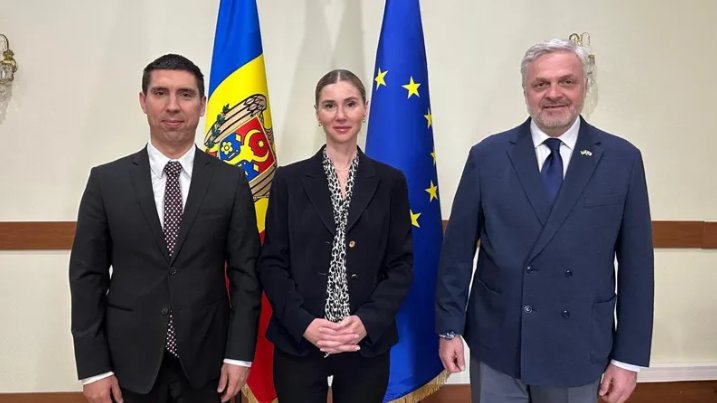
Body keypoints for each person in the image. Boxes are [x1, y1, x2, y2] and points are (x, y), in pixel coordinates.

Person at [435, 39, 654, 403]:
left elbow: (637, 267)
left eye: (566, 82)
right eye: (541, 84)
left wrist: (627, 358)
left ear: (584, 86)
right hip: (497, 342)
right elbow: (456, 253)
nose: (554, 94)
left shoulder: (622, 160)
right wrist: (448, 328)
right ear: (525, 90)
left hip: (578, 345)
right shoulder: (488, 156)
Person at [69, 54, 261, 403]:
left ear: (202, 105)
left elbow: (246, 276)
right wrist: (94, 368)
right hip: (128, 366)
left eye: (186, 94)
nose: (173, 106)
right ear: (143, 101)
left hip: (210, 366)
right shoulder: (106, 182)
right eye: (160, 93)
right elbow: (87, 278)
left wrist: (239, 356)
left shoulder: (230, 182)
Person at [258, 69, 413, 403]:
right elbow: (272, 263)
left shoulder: (390, 182)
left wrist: (367, 321)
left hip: (365, 343)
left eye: (350, 104)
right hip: (300, 340)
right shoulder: (288, 181)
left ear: (365, 109)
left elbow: (400, 266)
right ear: (317, 113)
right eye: (329, 105)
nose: (340, 115)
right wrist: (304, 324)